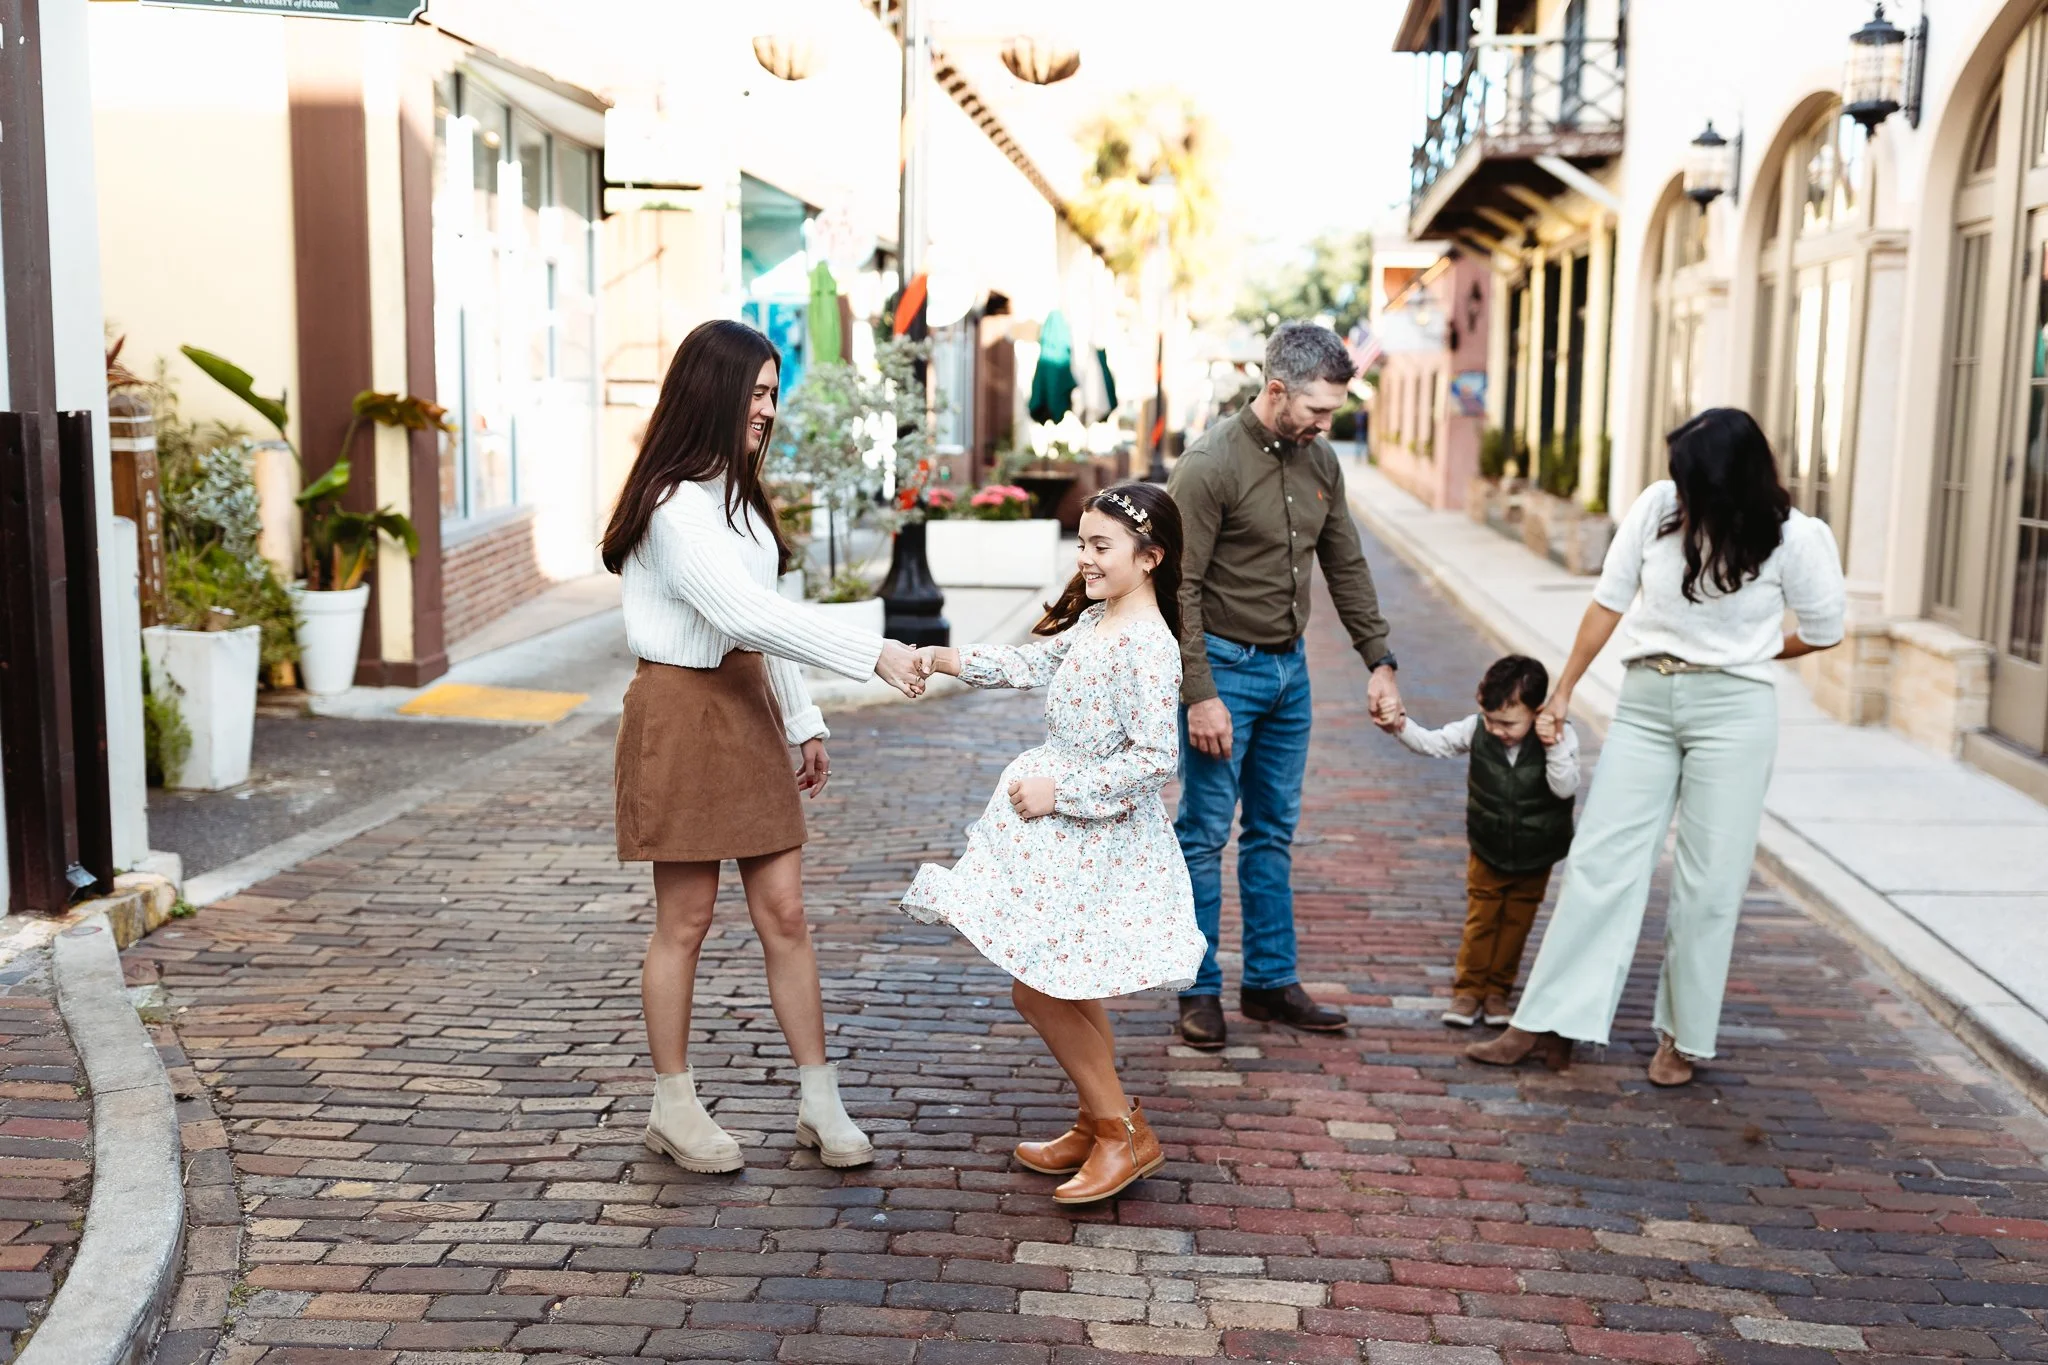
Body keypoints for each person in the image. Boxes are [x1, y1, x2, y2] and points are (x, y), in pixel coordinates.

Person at [601, 319, 927, 1172]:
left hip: (745, 700)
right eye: (755, 392)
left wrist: (804, 717)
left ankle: (819, 1099)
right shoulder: (673, 505)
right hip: (680, 708)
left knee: (785, 912)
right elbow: (742, 615)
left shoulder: (738, 500)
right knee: (688, 919)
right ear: (711, 393)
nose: (768, 409)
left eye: (773, 393)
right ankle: (672, 1103)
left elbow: (762, 627)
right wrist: (873, 652)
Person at [1468, 408, 1845, 1085]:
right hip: (1645, 701)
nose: (1678, 487)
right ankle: (1545, 1019)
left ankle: (1681, 1038)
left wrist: (1754, 651)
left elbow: (1824, 628)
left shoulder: (1796, 537)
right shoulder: (1658, 509)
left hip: (1733, 711)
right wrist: (1563, 692)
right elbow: (1608, 602)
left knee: (1710, 883)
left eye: (1691, 477)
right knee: (1598, 861)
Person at [900, 482, 1206, 1204]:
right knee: (1064, 982)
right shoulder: (1099, 621)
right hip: (1057, 839)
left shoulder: (1148, 646)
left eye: (1101, 546)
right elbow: (1034, 663)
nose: (1086, 557)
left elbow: (1155, 757)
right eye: (1082, 542)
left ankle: (1122, 1130)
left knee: (1037, 988)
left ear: (1150, 556)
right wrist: (947, 659)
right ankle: (1097, 1120)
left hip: (1091, 836)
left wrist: (1060, 792)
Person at [1166, 322, 1404, 1050]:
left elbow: (1348, 565)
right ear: (1276, 391)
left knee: (1272, 832)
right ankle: (1197, 987)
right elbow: (1179, 586)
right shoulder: (1209, 466)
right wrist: (1200, 691)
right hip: (1225, 675)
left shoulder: (1320, 461)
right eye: (1320, 410)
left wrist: (1379, 660)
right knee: (1204, 834)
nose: (1329, 424)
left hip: (1288, 673)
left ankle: (1270, 981)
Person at [1392, 655, 1581, 1029]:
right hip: (1488, 845)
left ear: (1538, 711)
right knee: (1482, 919)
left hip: (1536, 853)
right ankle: (1468, 990)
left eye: (1507, 722)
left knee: (1517, 922)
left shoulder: (1561, 737)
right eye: (1490, 719)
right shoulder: (1475, 729)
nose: (1497, 730)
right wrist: (1399, 726)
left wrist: (1552, 744)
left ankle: (1498, 992)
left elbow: (1565, 787)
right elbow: (1432, 744)